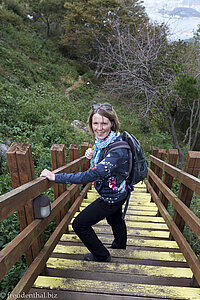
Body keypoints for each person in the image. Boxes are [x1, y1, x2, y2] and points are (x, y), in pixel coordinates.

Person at [40, 103, 130, 262]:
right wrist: (94, 153)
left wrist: (56, 177)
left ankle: (102, 255)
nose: (99, 128)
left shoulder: (118, 149)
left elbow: (90, 176)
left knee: (80, 224)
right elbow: (103, 156)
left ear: (112, 123)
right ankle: (120, 245)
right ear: (91, 124)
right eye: (96, 123)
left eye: (104, 123)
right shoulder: (107, 141)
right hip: (120, 191)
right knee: (114, 218)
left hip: (111, 196)